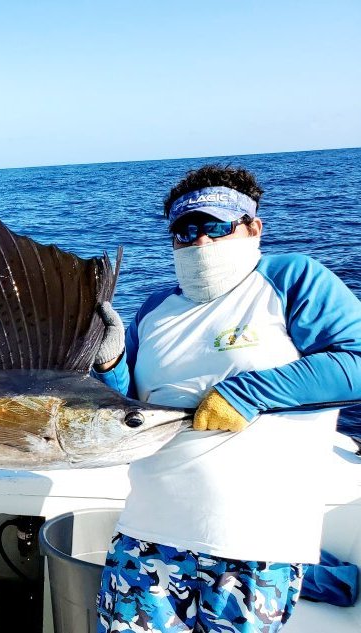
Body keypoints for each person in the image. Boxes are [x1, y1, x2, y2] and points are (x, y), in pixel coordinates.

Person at [91, 164, 361, 633]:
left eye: (216, 226)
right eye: (185, 230)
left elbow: (356, 361)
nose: (200, 241)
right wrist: (112, 364)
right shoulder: (155, 308)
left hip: (254, 544)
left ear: (253, 227)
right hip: (147, 533)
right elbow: (128, 407)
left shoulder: (293, 279)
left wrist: (247, 392)